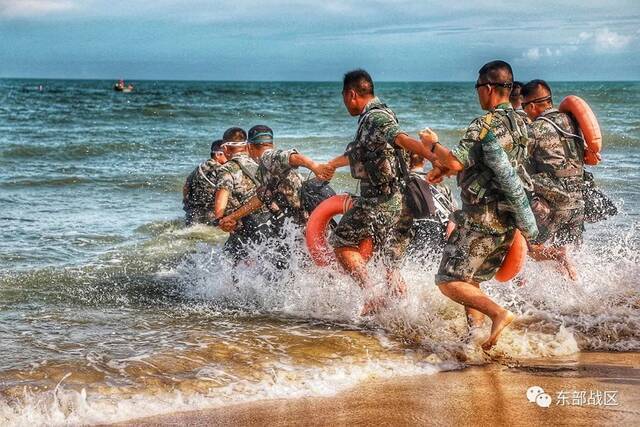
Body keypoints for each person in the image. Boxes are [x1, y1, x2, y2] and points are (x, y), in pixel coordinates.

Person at [419, 60, 538, 350]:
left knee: (448, 280)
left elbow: (457, 159)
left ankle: (498, 314)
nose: (477, 94)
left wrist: (433, 146)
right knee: (470, 279)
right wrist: (445, 171)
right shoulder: (522, 124)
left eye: (477, 88)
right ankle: (475, 338)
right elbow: (492, 165)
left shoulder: (485, 123)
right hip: (508, 218)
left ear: (487, 88)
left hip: (480, 219)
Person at [321, 69, 437, 314]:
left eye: (344, 98)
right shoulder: (378, 115)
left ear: (351, 94)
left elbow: (401, 139)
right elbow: (361, 154)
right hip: (398, 201)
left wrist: (432, 154)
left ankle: (372, 296)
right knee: (389, 265)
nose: (344, 104)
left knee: (342, 243)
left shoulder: (376, 118)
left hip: (380, 200)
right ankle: (407, 314)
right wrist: (331, 164)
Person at [521, 79, 585, 280]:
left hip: (553, 205)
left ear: (531, 106)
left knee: (528, 247)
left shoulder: (535, 129)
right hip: (578, 203)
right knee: (563, 252)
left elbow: (517, 161)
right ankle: (575, 289)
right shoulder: (573, 122)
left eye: (524, 107)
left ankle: (522, 285)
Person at [218, 125, 330, 233]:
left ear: (249, 147)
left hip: (306, 219)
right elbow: (260, 198)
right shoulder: (265, 167)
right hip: (306, 219)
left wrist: (315, 167)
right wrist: (233, 217)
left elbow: (293, 157)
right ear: (273, 144)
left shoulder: (267, 157)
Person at [214, 127, 272, 263]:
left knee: (228, 263)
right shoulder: (261, 165)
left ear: (226, 148)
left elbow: (221, 201)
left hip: (247, 229)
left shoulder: (227, 168)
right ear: (246, 146)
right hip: (270, 225)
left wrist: (220, 219)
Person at [407, 153, 457, 256]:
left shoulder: (402, 182)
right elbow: (454, 214)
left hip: (412, 231)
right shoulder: (439, 184)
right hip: (439, 232)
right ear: (424, 161)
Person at [183, 139, 227, 226]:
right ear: (218, 155)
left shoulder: (199, 168)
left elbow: (186, 186)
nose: (229, 155)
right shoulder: (222, 170)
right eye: (227, 153)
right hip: (211, 213)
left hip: (193, 212)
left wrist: (186, 200)